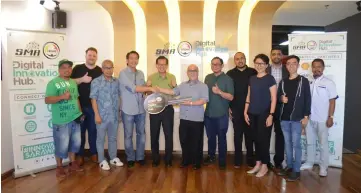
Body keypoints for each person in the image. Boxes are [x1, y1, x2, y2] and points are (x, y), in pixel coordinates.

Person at [155, 64, 208, 170]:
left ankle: (197, 162)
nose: (192, 72)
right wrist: (159, 89)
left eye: (194, 70)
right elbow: (172, 92)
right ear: (187, 73)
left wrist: (191, 103)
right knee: (184, 140)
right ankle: (185, 161)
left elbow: (204, 100)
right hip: (184, 118)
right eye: (190, 70)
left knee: (196, 141)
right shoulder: (182, 85)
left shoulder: (203, 86)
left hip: (197, 118)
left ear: (197, 72)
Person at [45, 59, 85, 178]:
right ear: (59, 70)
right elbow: (47, 100)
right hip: (61, 121)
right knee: (61, 145)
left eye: (69, 67)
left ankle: (73, 164)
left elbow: (76, 98)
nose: (67, 70)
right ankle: (59, 167)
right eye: (64, 67)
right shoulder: (53, 83)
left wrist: (80, 112)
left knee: (75, 143)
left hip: (75, 118)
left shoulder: (73, 82)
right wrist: (62, 97)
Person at [119, 51, 156, 168]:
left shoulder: (141, 73)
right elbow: (133, 88)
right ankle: (130, 158)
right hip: (128, 109)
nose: (134, 61)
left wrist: (147, 87)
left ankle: (140, 157)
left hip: (141, 109)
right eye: (131, 58)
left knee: (141, 134)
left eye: (136, 58)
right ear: (127, 60)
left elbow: (143, 90)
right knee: (128, 135)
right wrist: (149, 87)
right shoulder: (122, 73)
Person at [300, 58, 337, 177]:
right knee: (310, 142)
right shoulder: (308, 81)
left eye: (319, 67)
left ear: (323, 68)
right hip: (310, 118)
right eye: (314, 67)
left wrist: (330, 117)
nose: (316, 69)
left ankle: (323, 167)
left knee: (323, 144)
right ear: (312, 68)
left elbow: (332, 101)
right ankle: (309, 162)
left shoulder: (329, 83)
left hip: (323, 119)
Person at [276, 55, 311, 181]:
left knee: (296, 145)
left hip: (297, 118)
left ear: (298, 65)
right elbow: (279, 96)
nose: (291, 65)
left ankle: (296, 170)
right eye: (289, 63)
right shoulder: (283, 81)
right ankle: (289, 166)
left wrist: (306, 116)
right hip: (284, 118)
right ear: (286, 66)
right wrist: (281, 99)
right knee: (287, 144)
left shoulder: (303, 81)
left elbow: (308, 99)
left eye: (294, 63)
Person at [244, 54, 277, 178]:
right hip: (252, 113)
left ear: (266, 65)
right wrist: (245, 111)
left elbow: (273, 98)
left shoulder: (270, 78)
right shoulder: (252, 78)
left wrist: (271, 115)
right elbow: (248, 96)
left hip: (265, 113)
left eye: (262, 63)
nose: (259, 65)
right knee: (255, 139)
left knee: (264, 140)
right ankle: (257, 164)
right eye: (257, 63)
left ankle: (264, 166)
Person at [71, 47, 103, 165]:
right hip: (79, 106)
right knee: (80, 133)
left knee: (93, 132)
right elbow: (69, 82)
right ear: (85, 56)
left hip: (94, 107)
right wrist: (82, 79)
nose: (92, 57)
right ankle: (80, 155)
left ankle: (94, 153)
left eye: (94, 55)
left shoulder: (100, 71)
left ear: (96, 57)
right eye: (90, 55)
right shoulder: (78, 68)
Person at [90, 60, 123, 170]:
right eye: (106, 68)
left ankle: (113, 158)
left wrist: (119, 111)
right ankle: (102, 160)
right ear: (102, 69)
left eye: (111, 68)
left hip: (113, 115)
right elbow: (93, 99)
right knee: (100, 139)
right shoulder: (96, 82)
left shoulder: (116, 81)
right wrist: (96, 114)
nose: (109, 70)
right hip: (101, 116)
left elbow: (119, 97)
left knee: (113, 138)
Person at [227, 52, 257, 168]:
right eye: (237, 59)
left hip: (250, 109)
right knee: (237, 135)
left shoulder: (253, 72)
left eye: (242, 58)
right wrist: (228, 107)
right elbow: (228, 92)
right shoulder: (230, 74)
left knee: (250, 135)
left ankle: (250, 159)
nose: (240, 61)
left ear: (245, 59)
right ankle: (238, 160)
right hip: (236, 109)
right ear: (235, 61)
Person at [204, 57, 234, 170]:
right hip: (208, 114)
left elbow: (231, 97)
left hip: (222, 115)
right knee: (210, 138)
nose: (215, 66)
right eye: (213, 64)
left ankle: (222, 161)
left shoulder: (227, 79)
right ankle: (211, 157)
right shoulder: (208, 78)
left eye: (217, 64)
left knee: (222, 138)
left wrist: (219, 92)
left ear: (222, 66)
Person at [146, 56, 177, 167]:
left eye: (164, 64)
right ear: (156, 65)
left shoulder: (172, 77)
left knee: (169, 135)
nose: (161, 66)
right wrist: (148, 87)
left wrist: (175, 86)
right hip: (154, 108)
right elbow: (147, 95)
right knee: (154, 135)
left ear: (167, 66)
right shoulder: (151, 77)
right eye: (159, 64)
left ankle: (168, 160)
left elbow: (176, 93)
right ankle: (155, 159)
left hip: (168, 109)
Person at [266, 47, 289, 170]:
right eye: (273, 54)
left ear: (282, 56)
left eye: (278, 54)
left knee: (280, 134)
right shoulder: (265, 69)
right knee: (265, 133)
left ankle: (278, 160)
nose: (276, 56)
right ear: (270, 56)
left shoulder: (287, 70)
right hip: (266, 105)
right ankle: (266, 160)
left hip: (281, 106)